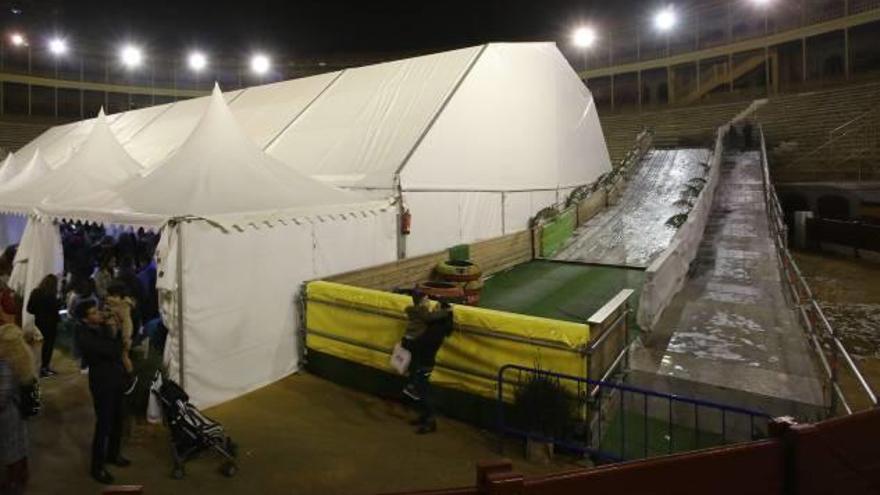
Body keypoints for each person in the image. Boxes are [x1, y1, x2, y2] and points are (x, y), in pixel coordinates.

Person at [75, 300, 130, 484]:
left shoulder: (101, 327)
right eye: (93, 313)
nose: (99, 314)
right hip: (102, 382)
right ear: (85, 318)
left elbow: (118, 344)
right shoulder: (83, 334)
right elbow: (114, 350)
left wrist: (119, 326)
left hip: (116, 378)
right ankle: (97, 467)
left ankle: (113, 455)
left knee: (118, 418)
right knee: (104, 424)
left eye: (97, 310)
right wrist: (116, 338)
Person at [0, 291, 36, 495]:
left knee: (10, 448)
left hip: (8, 411)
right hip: (20, 403)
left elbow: (2, 389)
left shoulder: (4, 345)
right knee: (20, 444)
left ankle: (13, 483)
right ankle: (22, 475)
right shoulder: (16, 339)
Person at [402, 292, 453, 434]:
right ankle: (425, 417)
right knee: (420, 390)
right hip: (423, 360)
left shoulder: (436, 328)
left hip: (424, 361)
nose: (432, 307)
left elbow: (424, 342)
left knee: (422, 391)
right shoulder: (435, 325)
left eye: (436, 307)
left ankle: (430, 421)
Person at [26, 274, 62, 378]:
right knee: (48, 346)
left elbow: (29, 309)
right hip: (51, 324)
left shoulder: (35, 292)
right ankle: (44, 368)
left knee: (42, 345)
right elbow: (56, 311)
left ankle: (40, 367)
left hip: (39, 322)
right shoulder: (52, 296)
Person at [103, 284, 135, 374]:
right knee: (123, 357)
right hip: (123, 333)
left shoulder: (121, 306)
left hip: (123, 334)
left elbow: (125, 322)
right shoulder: (125, 304)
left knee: (124, 356)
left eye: (110, 295)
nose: (108, 297)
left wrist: (126, 337)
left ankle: (130, 377)